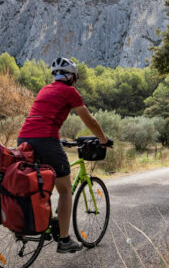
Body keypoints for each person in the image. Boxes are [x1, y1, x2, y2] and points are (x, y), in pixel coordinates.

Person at [17, 57, 110, 253]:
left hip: (24, 138)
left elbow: (42, 117)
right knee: (65, 190)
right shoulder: (70, 92)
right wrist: (103, 139)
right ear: (71, 78)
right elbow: (89, 120)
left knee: (43, 183)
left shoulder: (44, 89)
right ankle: (65, 239)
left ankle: (42, 221)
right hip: (46, 139)